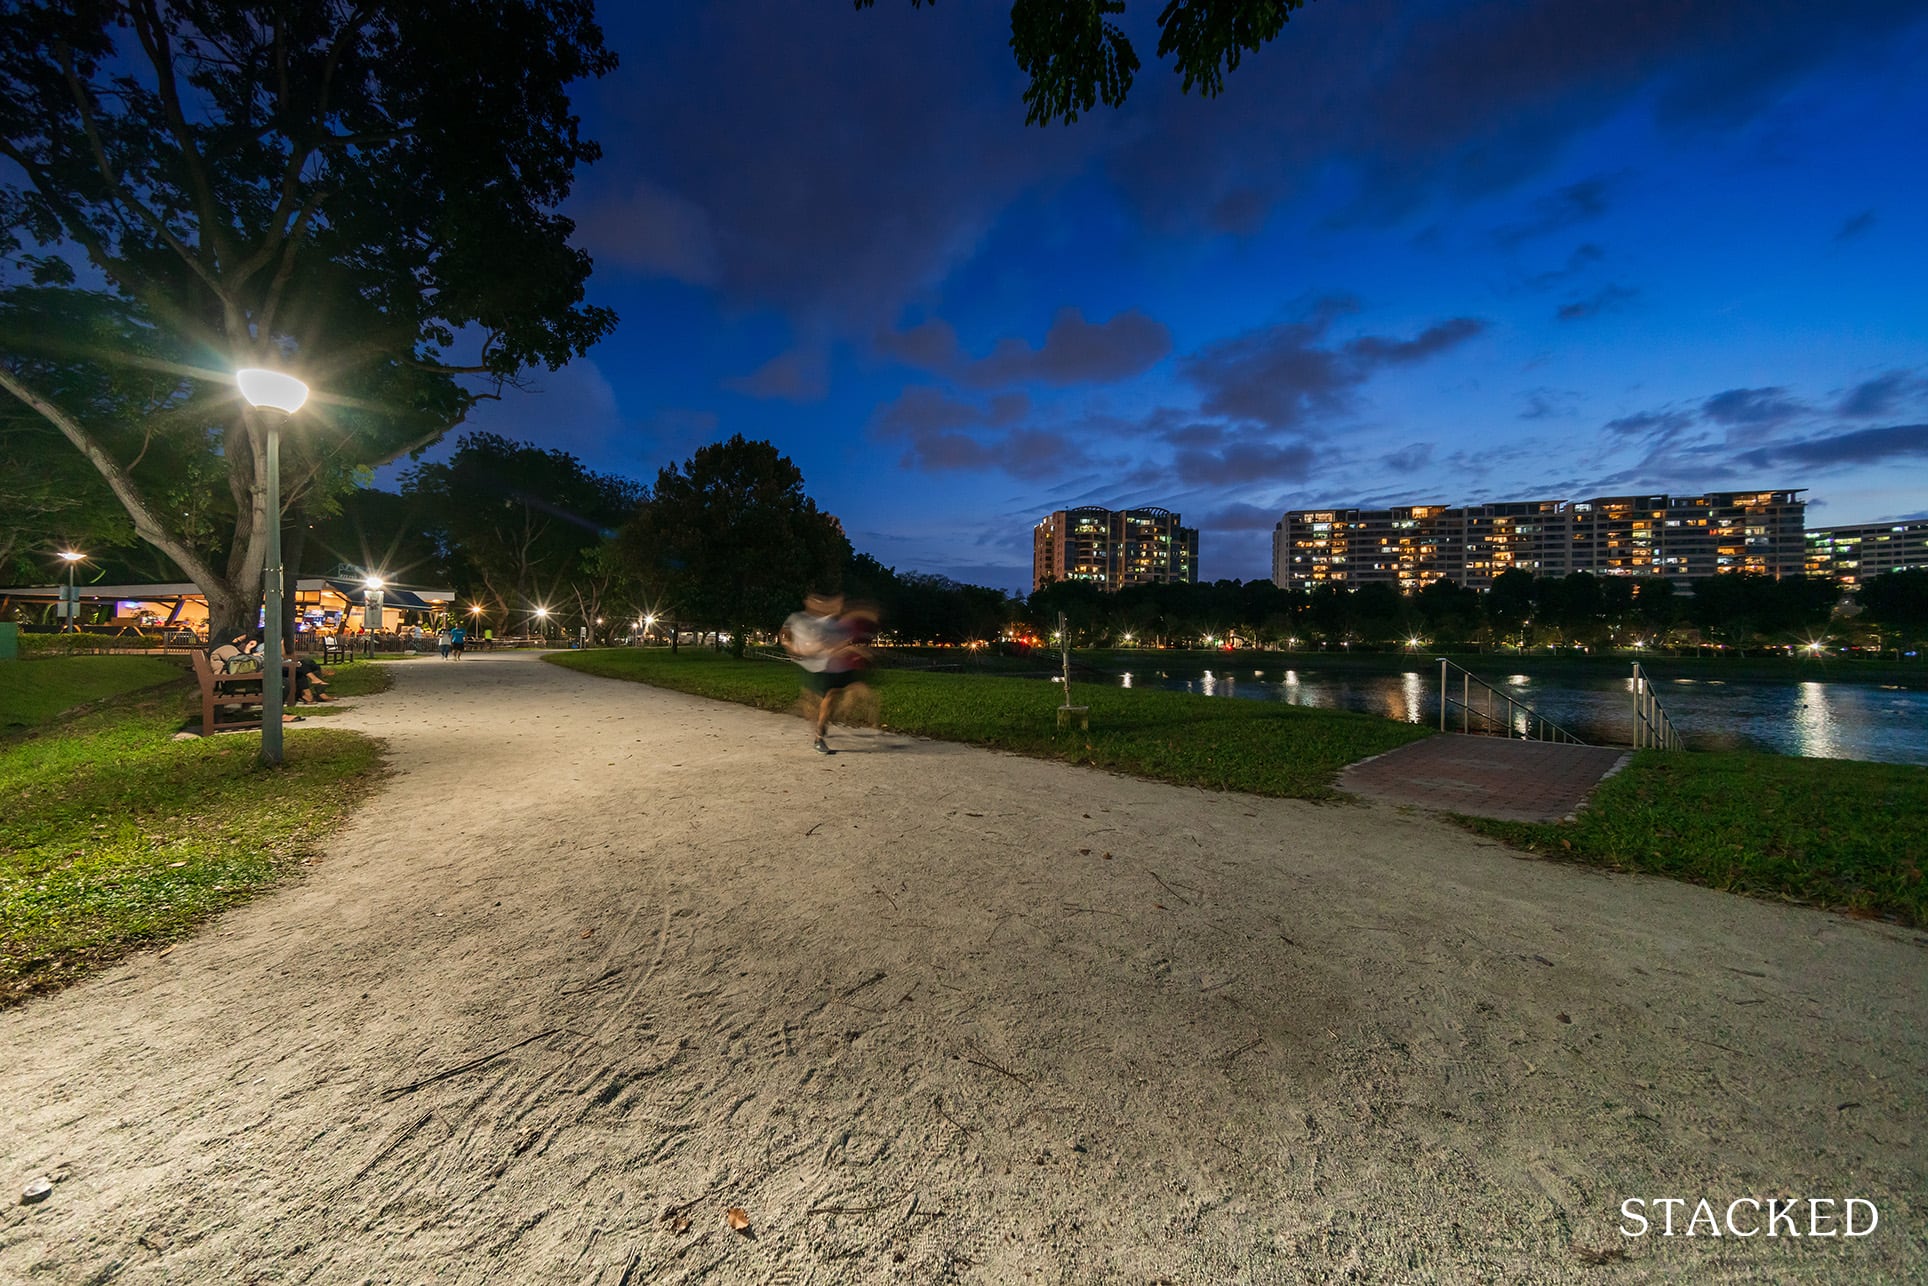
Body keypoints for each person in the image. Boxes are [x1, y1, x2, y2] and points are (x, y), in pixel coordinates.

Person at [780, 592, 853, 754]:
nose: (819, 603)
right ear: (807, 602)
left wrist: (841, 648)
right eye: (814, 600)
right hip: (808, 666)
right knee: (813, 701)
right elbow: (784, 634)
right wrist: (790, 647)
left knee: (832, 696)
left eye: (822, 600)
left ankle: (820, 729)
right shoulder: (797, 618)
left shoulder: (833, 622)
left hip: (830, 665)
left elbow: (844, 640)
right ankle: (818, 735)